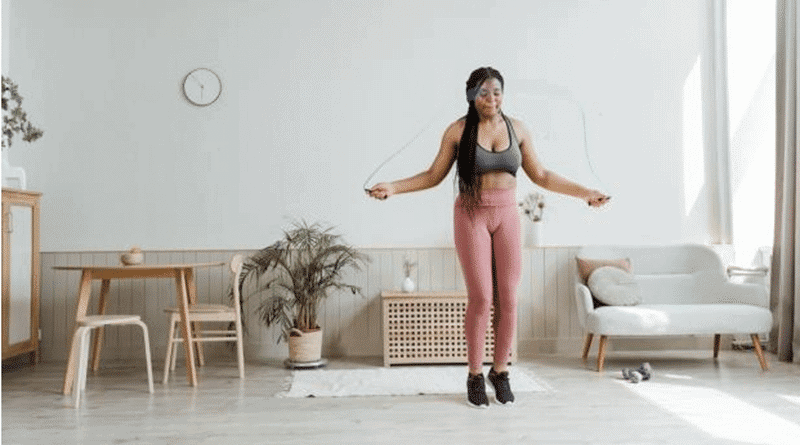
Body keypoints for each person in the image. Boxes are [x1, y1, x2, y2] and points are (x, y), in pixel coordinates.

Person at [367, 67, 610, 408]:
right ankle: (474, 375)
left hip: (507, 215)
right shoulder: (457, 131)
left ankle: (501, 371)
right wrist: (393, 187)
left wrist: (585, 193)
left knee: (508, 299)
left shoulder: (518, 129)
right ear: (471, 96)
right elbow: (433, 175)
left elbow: (541, 175)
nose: (491, 99)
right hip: (471, 215)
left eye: (497, 92)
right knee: (482, 298)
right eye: (483, 93)